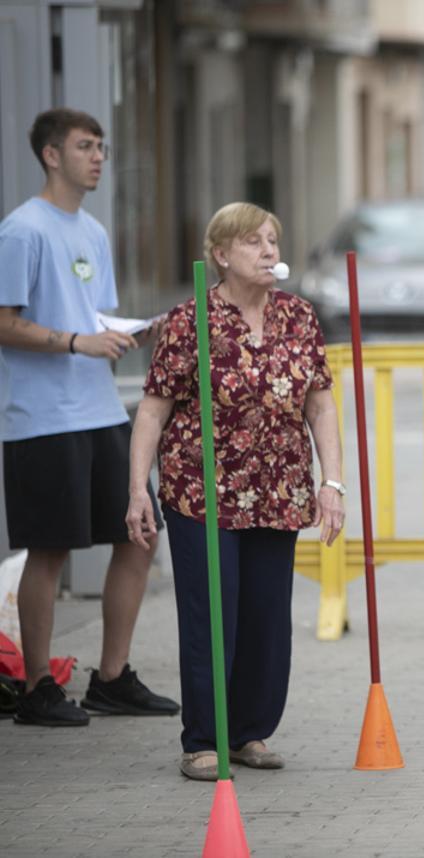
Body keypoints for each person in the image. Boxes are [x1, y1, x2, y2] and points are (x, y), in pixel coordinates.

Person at [126, 202, 344, 781]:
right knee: (211, 616)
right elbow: (152, 411)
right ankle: (203, 739)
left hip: (277, 489)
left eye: (273, 239)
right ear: (221, 255)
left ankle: (249, 731)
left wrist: (332, 482)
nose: (269, 250)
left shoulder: (299, 317)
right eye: (254, 242)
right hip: (202, 491)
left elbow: (319, 402)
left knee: (268, 619)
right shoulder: (187, 320)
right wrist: (137, 491)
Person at [0, 108, 179, 726]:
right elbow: (3, 321)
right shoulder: (23, 230)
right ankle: (37, 690)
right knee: (49, 552)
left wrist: (136, 331)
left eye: (102, 146)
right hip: (43, 419)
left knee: (140, 534)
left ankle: (111, 678)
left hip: (100, 409)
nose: (98, 156)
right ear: (52, 155)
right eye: (85, 146)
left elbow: (96, 319)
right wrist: (76, 342)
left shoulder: (93, 232)